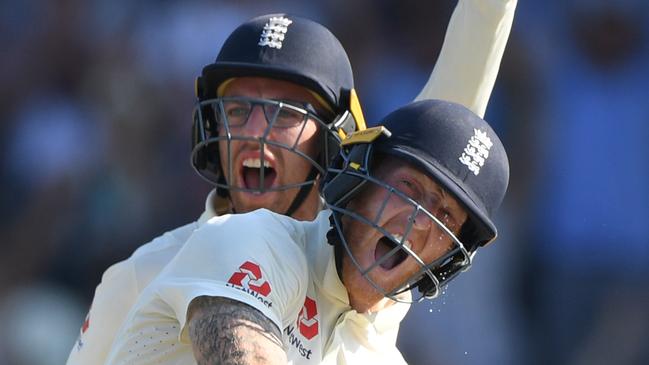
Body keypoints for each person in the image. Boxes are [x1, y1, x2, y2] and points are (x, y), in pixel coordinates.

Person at [67, 1, 517, 364]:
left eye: (286, 114)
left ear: (341, 145)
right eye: (239, 109)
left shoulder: (373, 282)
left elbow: (445, 145)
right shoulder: (146, 270)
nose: (254, 132)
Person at [103, 99, 510, 365]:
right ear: (358, 177)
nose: (422, 221)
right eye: (409, 189)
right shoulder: (251, 240)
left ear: (450, 260)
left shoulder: (379, 357)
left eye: (445, 218)